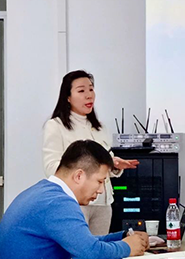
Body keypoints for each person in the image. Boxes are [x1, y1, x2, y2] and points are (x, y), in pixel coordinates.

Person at [0, 140, 148, 259]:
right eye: (100, 181)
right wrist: (127, 247)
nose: (101, 190)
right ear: (79, 176)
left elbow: (83, 242)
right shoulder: (58, 202)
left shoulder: (44, 192)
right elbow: (90, 254)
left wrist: (122, 237)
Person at [43, 70, 139, 235]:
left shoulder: (100, 127)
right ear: (68, 97)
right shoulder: (56, 126)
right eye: (81, 91)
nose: (89, 95)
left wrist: (113, 164)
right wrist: (81, 170)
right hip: (74, 202)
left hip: (103, 203)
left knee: (99, 248)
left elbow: (100, 165)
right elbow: (51, 168)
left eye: (91, 89)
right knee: (77, 250)